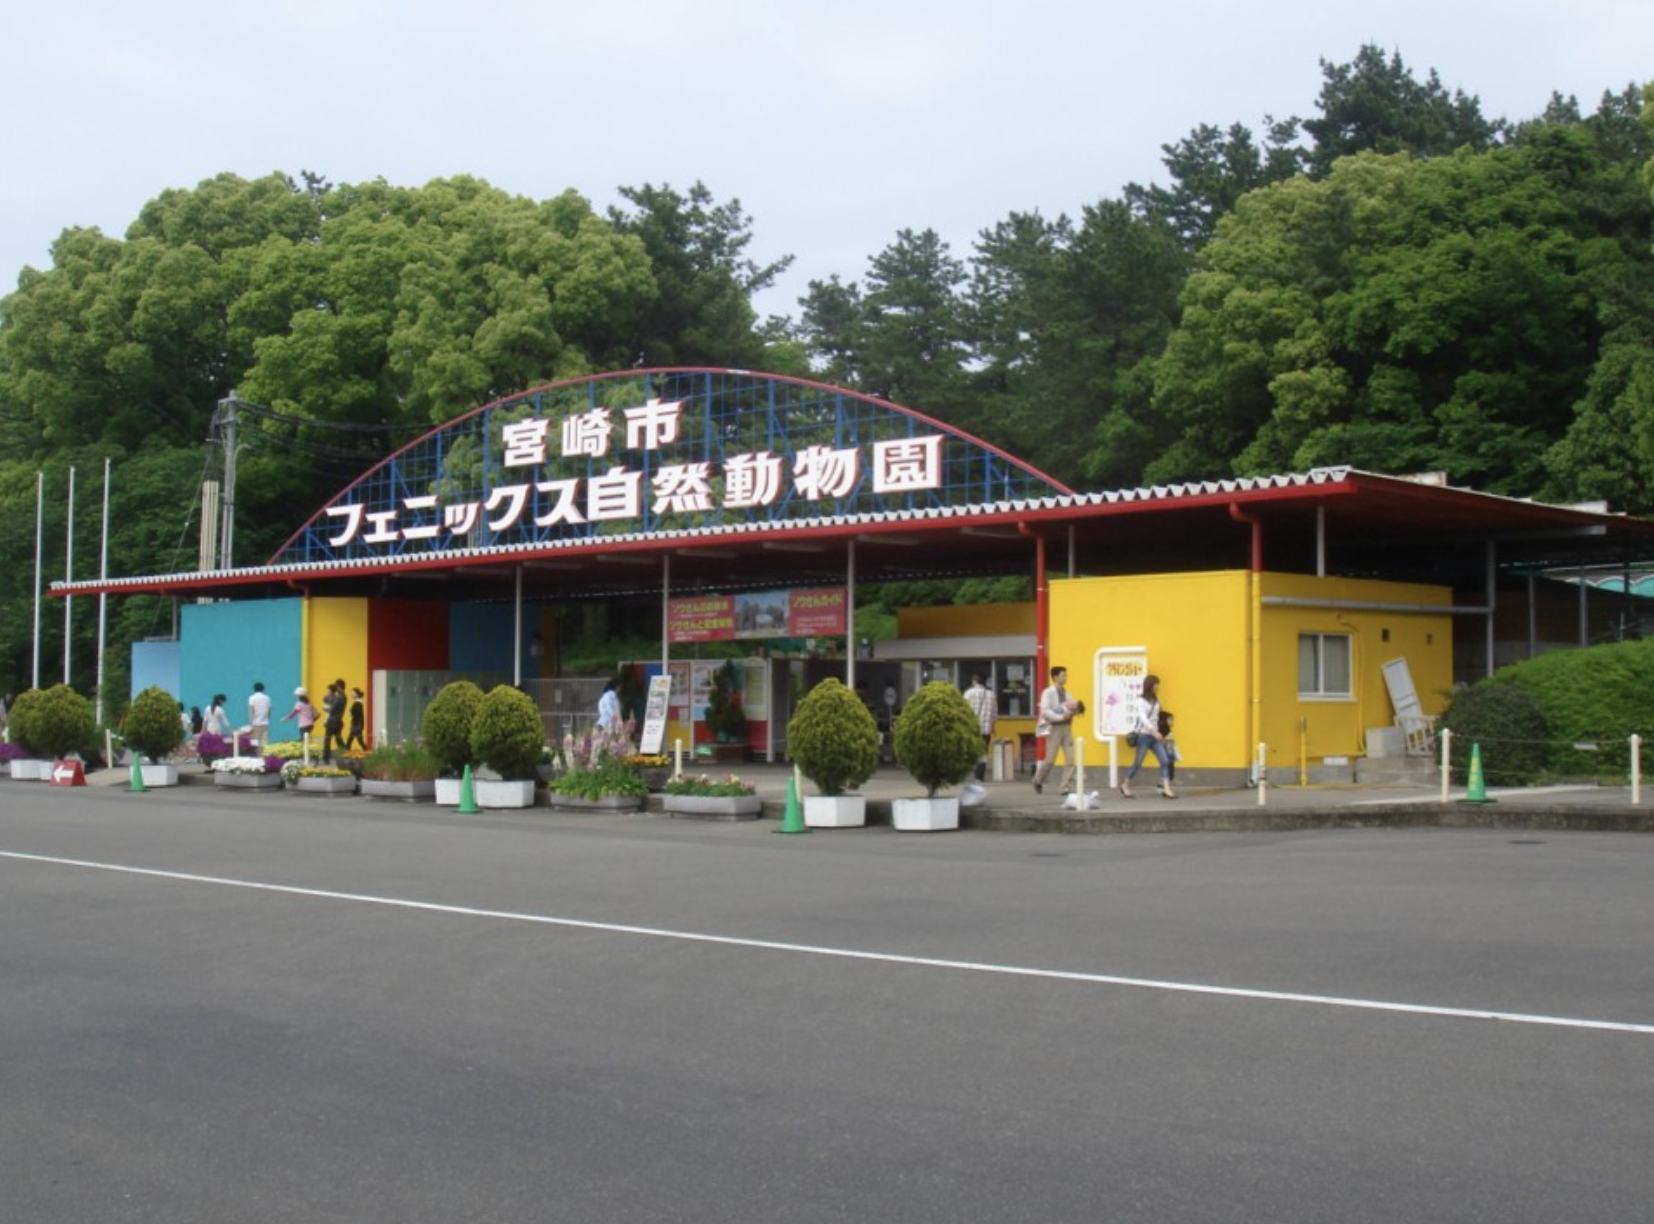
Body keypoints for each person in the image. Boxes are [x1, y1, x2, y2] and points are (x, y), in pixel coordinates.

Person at [1121, 673, 1175, 799]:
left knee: (1165, 761)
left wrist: (1163, 728)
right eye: (1156, 684)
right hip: (1144, 736)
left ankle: (1166, 789)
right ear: (1150, 685)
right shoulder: (1140, 701)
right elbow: (1144, 719)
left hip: (1155, 737)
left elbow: (1157, 717)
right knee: (1138, 763)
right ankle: (1125, 784)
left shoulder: (1158, 700)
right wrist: (1153, 731)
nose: (1158, 686)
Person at [1032, 665, 1082, 795]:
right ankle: (1038, 779)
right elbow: (1045, 711)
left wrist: (1074, 712)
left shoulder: (1068, 693)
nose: (1065, 677)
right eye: (1063, 675)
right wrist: (1060, 717)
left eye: (1065, 675)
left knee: (1070, 759)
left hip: (1066, 727)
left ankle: (1064, 786)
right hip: (1053, 727)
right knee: (1050, 759)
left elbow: (1071, 708)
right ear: (1055, 677)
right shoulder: (1048, 693)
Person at [963, 672, 998, 783]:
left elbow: (963, 710)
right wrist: (992, 725)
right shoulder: (991, 695)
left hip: (972, 728)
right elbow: (994, 714)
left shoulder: (968, 693)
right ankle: (979, 776)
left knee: (971, 750)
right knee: (983, 752)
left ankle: (967, 771)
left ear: (975, 681)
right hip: (986, 729)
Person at [321, 679, 347, 763]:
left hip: (332, 722)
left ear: (339, 687)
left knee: (327, 740)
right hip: (338, 721)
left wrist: (326, 707)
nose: (336, 689)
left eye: (337, 687)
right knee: (338, 740)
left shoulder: (339, 697)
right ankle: (346, 754)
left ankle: (326, 758)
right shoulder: (344, 697)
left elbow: (331, 710)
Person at [247, 682, 272, 752]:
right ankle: (264, 756)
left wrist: (251, 723)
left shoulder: (252, 698)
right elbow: (269, 711)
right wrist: (267, 719)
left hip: (255, 723)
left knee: (255, 743)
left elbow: (251, 711)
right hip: (265, 723)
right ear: (263, 689)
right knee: (264, 743)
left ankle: (256, 757)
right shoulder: (267, 698)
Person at [344, 686, 367, 751]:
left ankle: (347, 753)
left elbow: (356, 713)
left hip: (356, 724)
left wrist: (350, 713)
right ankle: (366, 750)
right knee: (359, 740)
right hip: (356, 724)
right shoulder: (357, 702)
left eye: (353, 693)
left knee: (349, 740)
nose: (351, 694)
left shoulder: (358, 703)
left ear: (356, 694)